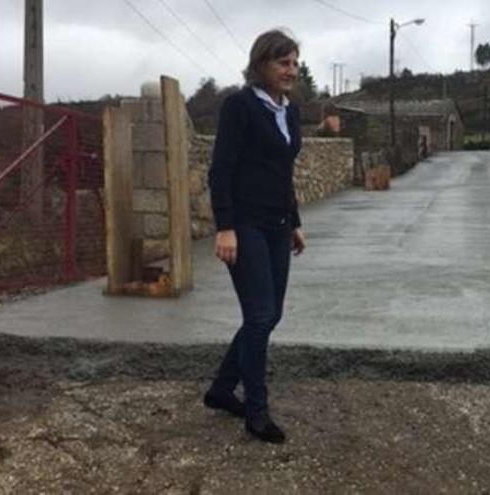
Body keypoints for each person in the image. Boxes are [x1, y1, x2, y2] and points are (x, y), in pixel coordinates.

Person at [203, 29, 307, 444]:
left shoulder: (290, 112)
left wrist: (295, 221)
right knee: (261, 315)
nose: (291, 70)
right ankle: (256, 412)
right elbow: (221, 170)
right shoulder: (239, 107)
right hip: (244, 226)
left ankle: (221, 390)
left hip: (278, 225)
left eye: (296, 63)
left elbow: (283, 174)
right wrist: (225, 227)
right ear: (261, 63)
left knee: (268, 315)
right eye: (283, 63)